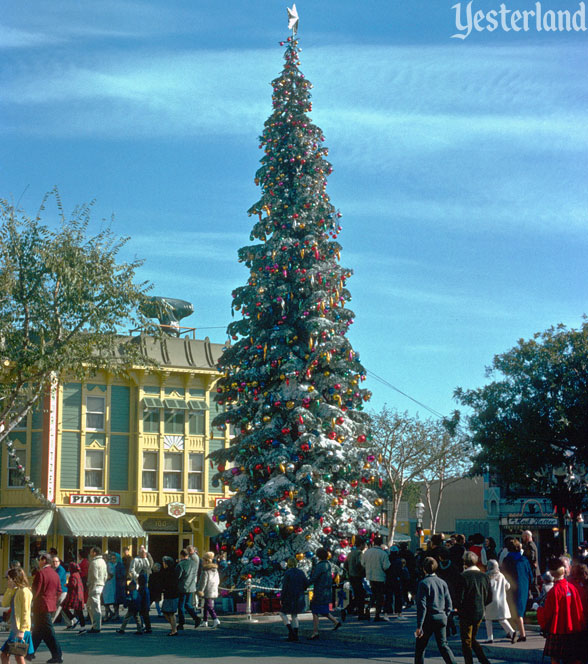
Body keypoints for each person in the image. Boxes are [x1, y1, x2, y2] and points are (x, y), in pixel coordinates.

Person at [537, 557, 586, 664]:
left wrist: (539, 610)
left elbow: (548, 614)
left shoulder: (553, 592)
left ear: (552, 574)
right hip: (573, 629)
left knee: (555, 658)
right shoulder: (573, 588)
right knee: (573, 658)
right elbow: (579, 609)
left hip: (558, 631)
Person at [414, 557, 457, 664]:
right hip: (441, 617)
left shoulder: (423, 583)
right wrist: (445, 615)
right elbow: (449, 603)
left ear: (424, 569)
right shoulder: (442, 582)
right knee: (443, 645)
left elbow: (422, 606)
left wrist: (419, 625)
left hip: (428, 618)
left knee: (420, 647)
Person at [455, 550, 492, 664]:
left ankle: (470, 662)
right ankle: (484, 660)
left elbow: (459, 598)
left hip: (466, 613)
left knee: (466, 641)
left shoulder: (463, 577)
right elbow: (489, 597)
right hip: (480, 611)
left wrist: (458, 609)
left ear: (465, 563)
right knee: (472, 638)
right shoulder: (484, 576)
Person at [31, 551, 63, 663]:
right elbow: (59, 590)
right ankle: (30, 652)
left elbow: (36, 590)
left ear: (44, 560)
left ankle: (57, 655)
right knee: (38, 631)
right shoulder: (55, 573)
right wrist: (52, 599)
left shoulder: (41, 573)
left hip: (41, 605)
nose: (38, 562)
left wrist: (31, 601)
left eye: (39, 560)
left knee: (48, 631)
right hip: (50, 604)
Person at [501, 538, 533, 642]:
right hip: (523, 587)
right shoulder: (524, 560)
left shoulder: (507, 560)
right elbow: (530, 575)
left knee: (513, 610)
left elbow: (504, 574)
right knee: (519, 609)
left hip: (511, 587)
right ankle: (513, 631)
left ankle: (521, 634)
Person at [1, 567, 35, 664]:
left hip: (21, 629)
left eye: (9, 578)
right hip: (15, 628)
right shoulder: (15, 590)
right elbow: (4, 603)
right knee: (7, 655)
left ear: (14, 578)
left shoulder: (24, 591)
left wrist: (22, 630)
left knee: (16, 656)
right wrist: (9, 589)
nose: (8, 580)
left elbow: (26, 612)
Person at [308, 548, 341, 639]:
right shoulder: (328, 565)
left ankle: (315, 632)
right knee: (324, 610)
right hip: (327, 590)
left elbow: (314, 578)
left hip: (319, 591)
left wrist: (306, 583)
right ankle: (336, 622)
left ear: (318, 556)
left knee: (315, 611)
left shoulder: (320, 566)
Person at [483, 559, 516, 644]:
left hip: (490, 600)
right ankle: (512, 632)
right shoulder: (501, 575)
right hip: (501, 600)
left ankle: (490, 637)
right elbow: (507, 586)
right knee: (502, 618)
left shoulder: (486, 576)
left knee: (488, 619)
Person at [361, 535, 390, 622]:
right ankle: (377, 615)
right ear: (381, 543)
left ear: (373, 543)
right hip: (380, 577)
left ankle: (368, 610)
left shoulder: (367, 552)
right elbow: (386, 566)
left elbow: (363, 563)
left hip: (370, 576)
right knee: (379, 596)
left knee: (373, 594)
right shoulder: (383, 553)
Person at [279, 557, 308, 641]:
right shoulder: (301, 572)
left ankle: (291, 631)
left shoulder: (288, 573)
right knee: (294, 615)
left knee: (282, 613)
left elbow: (285, 587)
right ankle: (295, 633)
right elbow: (306, 584)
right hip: (299, 596)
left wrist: (282, 598)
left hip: (289, 596)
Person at [176, 549, 201, 629]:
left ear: (181, 555)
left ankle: (181, 623)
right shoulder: (194, 563)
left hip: (182, 587)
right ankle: (196, 617)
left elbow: (178, 576)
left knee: (181, 605)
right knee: (187, 604)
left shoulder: (181, 564)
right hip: (191, 586)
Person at [86, 546, 108, 634]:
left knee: (95, 607)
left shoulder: (94, 562)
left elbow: (94, 577)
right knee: (90, 606)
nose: (90, 553)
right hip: (101, 585)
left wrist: (91, 586)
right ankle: (95, 624)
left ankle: (96, 626)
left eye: (91, 552)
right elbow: (106, 575)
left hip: (95, 586)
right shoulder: (103, 561)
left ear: (94, 553)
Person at [343, 536, 366, 619]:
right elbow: (359, 563)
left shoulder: (350, 553)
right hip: (357, 575)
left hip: (351, 576)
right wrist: (363, 571)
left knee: (356, 594)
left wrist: (349, 571)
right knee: (361, 595)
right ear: (362, 545)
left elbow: (345, 565)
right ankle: (360, 613)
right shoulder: (359, 553)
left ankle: (348, 609)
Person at [60, 562, 86, 634]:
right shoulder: (78, 574)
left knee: (64, 607)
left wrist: (67, 585)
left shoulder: (73, 575)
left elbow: (73, 584)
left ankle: (74, 620)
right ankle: (82, 627)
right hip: (79, 595)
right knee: (79, 611)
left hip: (74, 595)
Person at [197, 552, 221, 629]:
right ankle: (205, 621)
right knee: (206, 605)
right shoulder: (215, 570)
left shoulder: (205, 571)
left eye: (203, 560)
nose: (202, 562)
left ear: (207, 561)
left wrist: (200, 590)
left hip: (207, 589)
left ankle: (215, 618)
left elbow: (203, 582)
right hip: (213, 588)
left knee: (209, 605)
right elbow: (218, 580)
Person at [161, 556, 180, 636]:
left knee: (170, 613)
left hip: (171, 594)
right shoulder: (172, 571)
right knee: (166, 612)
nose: (163, 563)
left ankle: (174, 629)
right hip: (170, 594)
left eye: (164, 562)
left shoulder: (170, 572)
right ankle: (174, 627)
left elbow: (168, 583)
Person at [50, 556, 70, 627]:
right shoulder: (55, 569)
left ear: (59, 562)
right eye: (53, 561)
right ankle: (71, 622)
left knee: (57, 608)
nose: (55, 563)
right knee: (62, 608)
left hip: (62, 591)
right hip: (58, 592)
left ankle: (50, 623)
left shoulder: (60, 569)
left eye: (56, 561)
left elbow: (55, 579)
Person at [385, 546, 404, 618]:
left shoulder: (388, 559)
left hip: (389, 579)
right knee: (398, 596)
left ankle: (387, 611)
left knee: (388, 596)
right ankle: (398, 612)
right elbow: (400, 571)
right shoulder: (398, 560)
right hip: (396, 579)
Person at [521, 530, 540, 597]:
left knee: (533, 586)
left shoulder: (530, 545)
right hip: (532, 569)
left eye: (523, 537)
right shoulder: (531, 545)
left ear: (527, 536)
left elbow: (532, 557)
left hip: (532, 570)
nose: (522, 538)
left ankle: (536, 601)